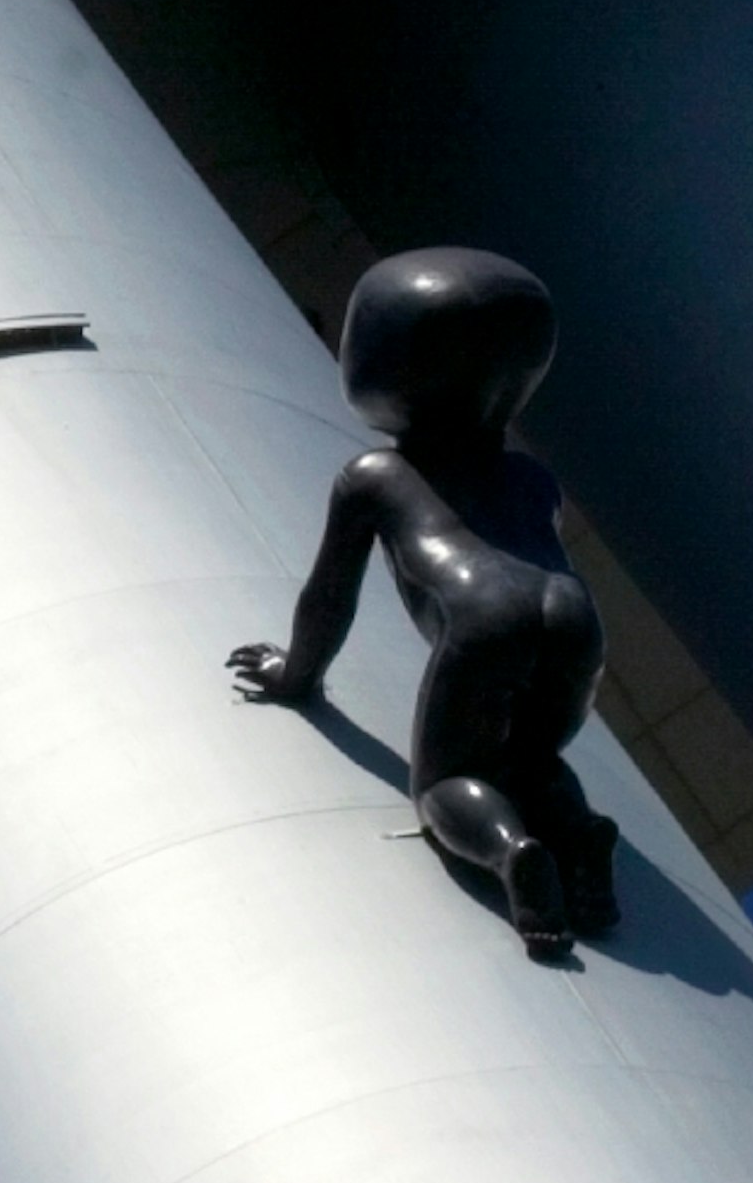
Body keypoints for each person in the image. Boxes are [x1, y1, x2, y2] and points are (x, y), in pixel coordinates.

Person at [229, 244, 617, 952]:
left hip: (482, 620)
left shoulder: (375, 476)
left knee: (450, 778)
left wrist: (296, 673)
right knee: (531, 759)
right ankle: (583, 838)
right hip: (574, 617)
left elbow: (328, 598)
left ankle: (512, 854)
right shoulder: (534, 480)